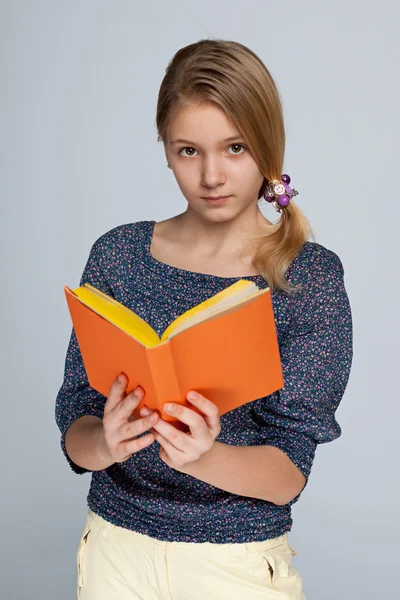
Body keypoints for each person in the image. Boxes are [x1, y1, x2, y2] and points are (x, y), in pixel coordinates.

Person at [55, 38, 353, 600]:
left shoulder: (307, 278)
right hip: (115, 551)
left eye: (235, 148)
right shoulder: (118, 255)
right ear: (166, 150)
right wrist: (107, 444)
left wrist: (205, 456)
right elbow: (75, 421)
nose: (212, 175)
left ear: (268, 147)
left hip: (233, 564)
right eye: (189, 151)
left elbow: (290, 474)